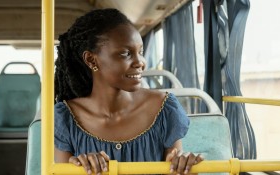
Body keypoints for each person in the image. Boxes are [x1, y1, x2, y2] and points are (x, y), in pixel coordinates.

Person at [54, 8, 203, 175]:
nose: (140, 62)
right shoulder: (65, 118)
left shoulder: (164, 108)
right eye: (125, 53)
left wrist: (185, 168)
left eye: (140, 52)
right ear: (91, 59)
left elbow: (175, 168)